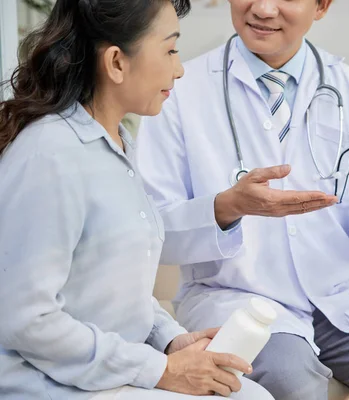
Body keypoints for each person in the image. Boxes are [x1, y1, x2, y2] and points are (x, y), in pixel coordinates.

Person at [136, 0, 349, 399]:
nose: (263, 8)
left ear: (322, 6)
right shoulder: (178, 91)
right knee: (292, 381)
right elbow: (153, 226)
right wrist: (228, 206)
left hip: (343, 298)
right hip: (237, 298)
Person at [0, 1, 274, 399]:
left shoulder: (115, 145)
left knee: (248, 394)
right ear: (116, 63)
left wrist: (170, 341)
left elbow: (113, 290)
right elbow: (25, 319)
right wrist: (161, 370)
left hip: (106, 369)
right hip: (45, 382)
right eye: (170, 50)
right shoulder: (51, 154)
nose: (179, 68)